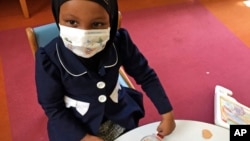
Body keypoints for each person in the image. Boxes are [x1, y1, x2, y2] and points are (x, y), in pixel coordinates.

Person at [35, 0, 176, 141]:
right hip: (75, 124)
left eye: (97, 24)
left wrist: (167, 112)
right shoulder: (48, 58)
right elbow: (53, 107)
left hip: (120, 115)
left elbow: (146, 75)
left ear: (112, 21)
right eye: (72, 22)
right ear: (57, 17)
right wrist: (84, 137)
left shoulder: (119, 42)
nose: (84, 35)